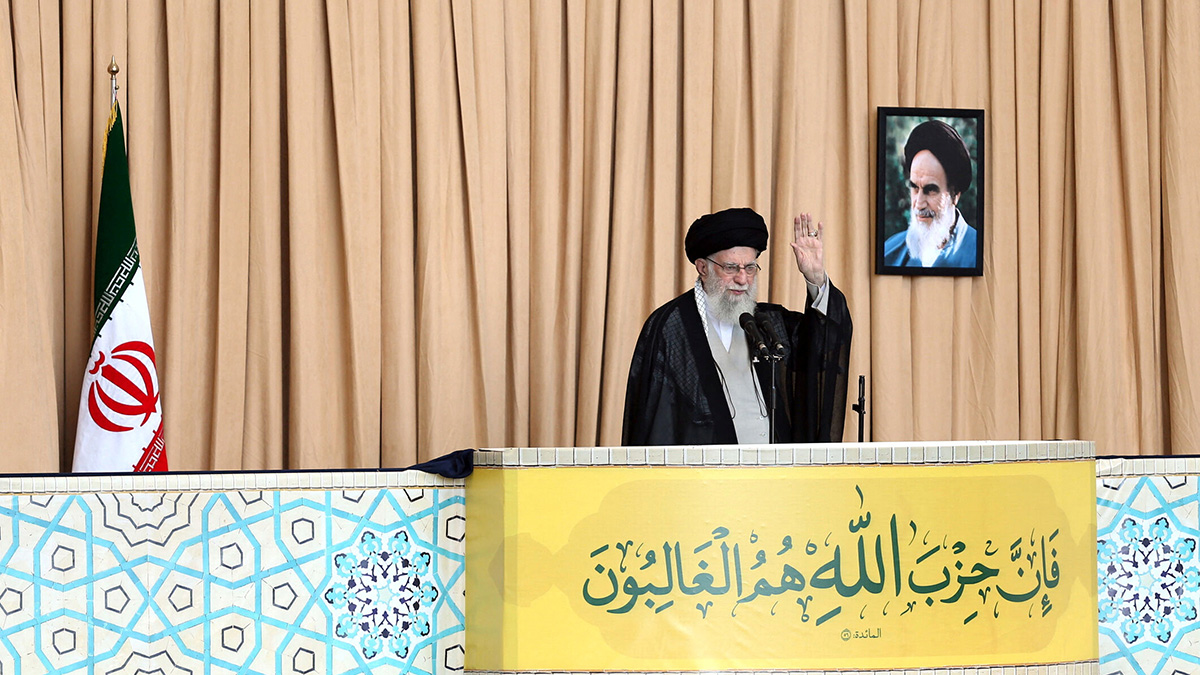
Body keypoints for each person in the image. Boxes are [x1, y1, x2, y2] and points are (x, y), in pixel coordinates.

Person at [622, 207, 852, 446]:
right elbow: (655, 421)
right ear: (703, 268)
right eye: (731, 268)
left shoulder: (768, 322)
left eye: (750, 268)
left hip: (775, 473)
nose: (743, 279)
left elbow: (823, 342)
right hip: (704, 476)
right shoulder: (670, 327)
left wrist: (815, 278)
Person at [882, 120, 978, 268]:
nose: (919, 204)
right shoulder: (888, 253)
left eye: (930, 190)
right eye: (914, 187)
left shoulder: (980, 254)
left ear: (955, 194)